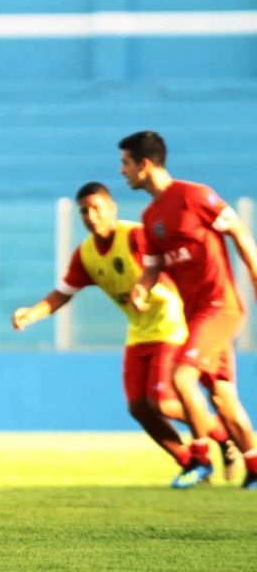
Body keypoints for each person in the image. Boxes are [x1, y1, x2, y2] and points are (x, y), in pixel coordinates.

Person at [12, 182, 237, 482]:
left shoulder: (136, 235)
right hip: (139, 331)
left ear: (111, 209)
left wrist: (150, 290)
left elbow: (163, 265)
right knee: (139, 407)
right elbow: (63, 293)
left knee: (163, 401)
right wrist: (32, 313)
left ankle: (220, 435)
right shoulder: (87, 254)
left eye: (96, 208)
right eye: (84, 211)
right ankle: (186, 460)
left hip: (170, 323)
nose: (90, 216)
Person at [121, 130, 257, 490]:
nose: (122, 171)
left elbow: (239, 230)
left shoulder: (194, 195)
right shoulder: (151, 218)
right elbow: (152, 267)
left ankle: (199, 459)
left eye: (126, 163)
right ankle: (254, 464)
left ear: (144, 164)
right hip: (195, 313)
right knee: (223, 398)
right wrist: (141, 287)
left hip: (220, 307)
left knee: (181, 378)